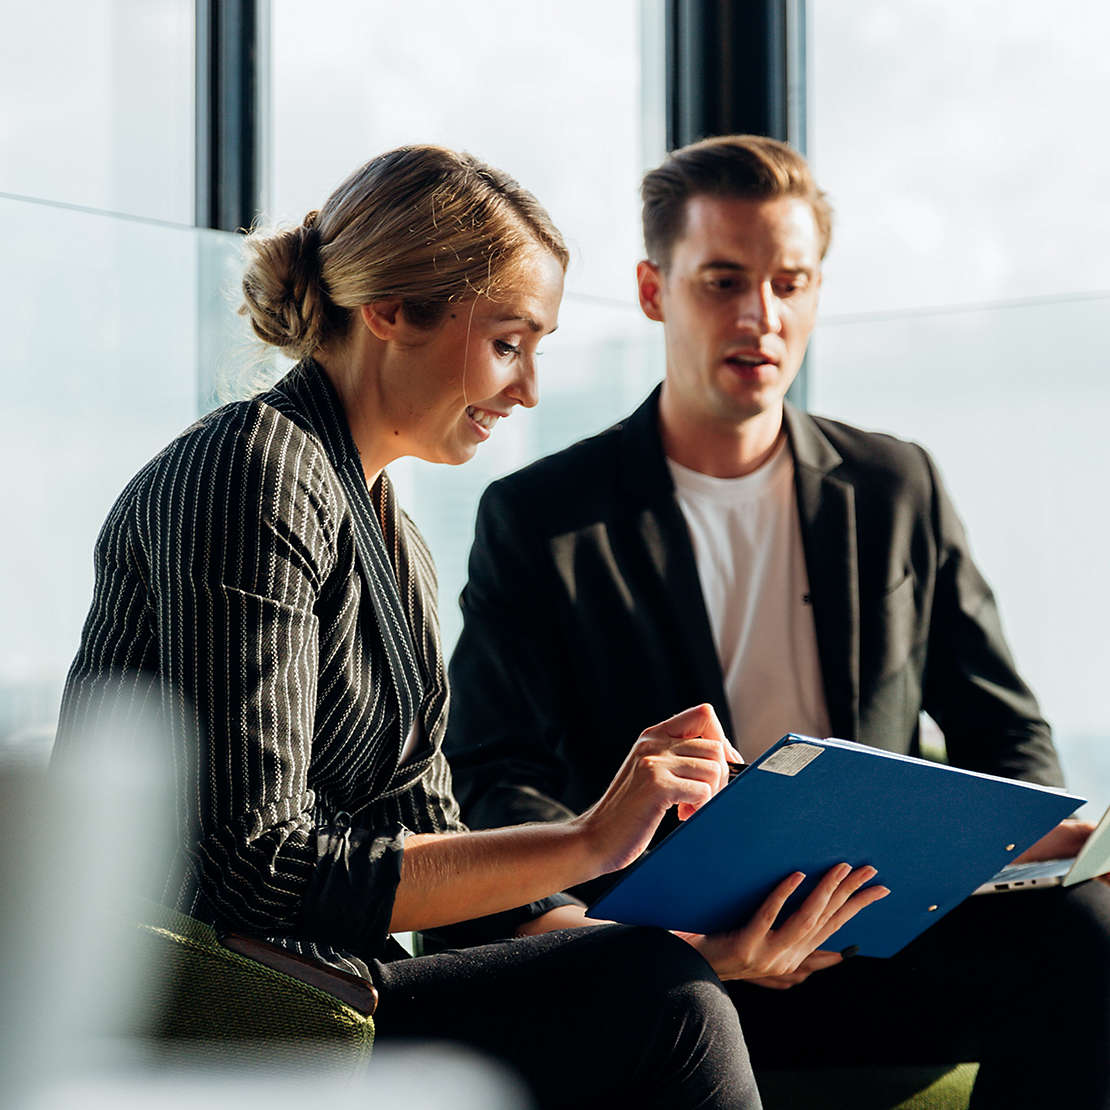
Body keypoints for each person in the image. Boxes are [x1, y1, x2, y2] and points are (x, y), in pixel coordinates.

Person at [51, 144, 890, 1110]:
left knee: (664, 980)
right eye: (506, 342)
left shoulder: (389, 535)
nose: (528, 388)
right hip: (211, 1011)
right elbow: (256, 868)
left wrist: (691, 944)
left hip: (330, 998)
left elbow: (442, 857)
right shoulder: (254, 474)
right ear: (391, 314)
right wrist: (588, 841)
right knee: (658, 1004)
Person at [445, 135, 1110, 1107]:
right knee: (653, 990)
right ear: (651, 290)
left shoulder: (896, 486)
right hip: (679, 962)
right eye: (723, 281)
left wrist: (1024, 849)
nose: (762, 316)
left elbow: (1008, 735)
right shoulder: (542, 518)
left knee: (1084, 941)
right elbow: (498, 775)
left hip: (876, 945)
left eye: (791, 283)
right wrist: (654, 937)